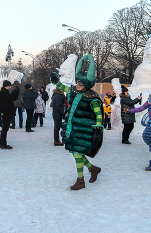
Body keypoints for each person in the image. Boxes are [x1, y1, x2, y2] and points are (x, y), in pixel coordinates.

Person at [50, 54, 103, 191]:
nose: (78, 85)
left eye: (81, 83)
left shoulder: (93, 98)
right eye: (77, 82)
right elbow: (63, 87)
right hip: (73, 129)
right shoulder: (74, 91)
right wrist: (56, 81)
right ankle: (93, 169)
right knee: (75, 152)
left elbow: (99, 115)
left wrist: (97, 131)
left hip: (85, 131)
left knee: (78, 154)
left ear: (87, 84)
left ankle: (81, 181)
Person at [0, 80, 19, 149]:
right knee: (5, 128)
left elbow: (13, 98)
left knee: (5, 128)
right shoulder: (3, 92)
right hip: (6, 112)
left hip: (6, 112)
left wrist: (16, 92)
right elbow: (10, 98)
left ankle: (2, 143)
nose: (10, 87)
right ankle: (3, 143)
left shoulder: (4, 92)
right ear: (7, 86)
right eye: (9, 86)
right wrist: (15, 92)